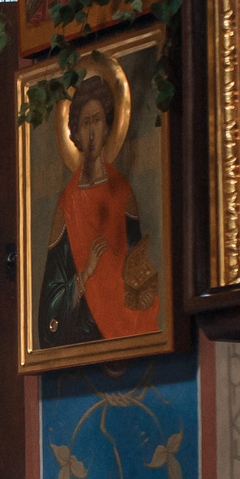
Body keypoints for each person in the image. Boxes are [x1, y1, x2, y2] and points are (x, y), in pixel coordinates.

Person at [38, 78, 157, 347]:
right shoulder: (66, 204)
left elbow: (136, 265)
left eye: (98, 120)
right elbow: (51, 299)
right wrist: (85, 275)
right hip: (84, 329)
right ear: (76, 134)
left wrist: (143, 293)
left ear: (108, 128)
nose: (92, 131)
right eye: (85, 122)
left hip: (123, 322)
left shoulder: (123, 193)